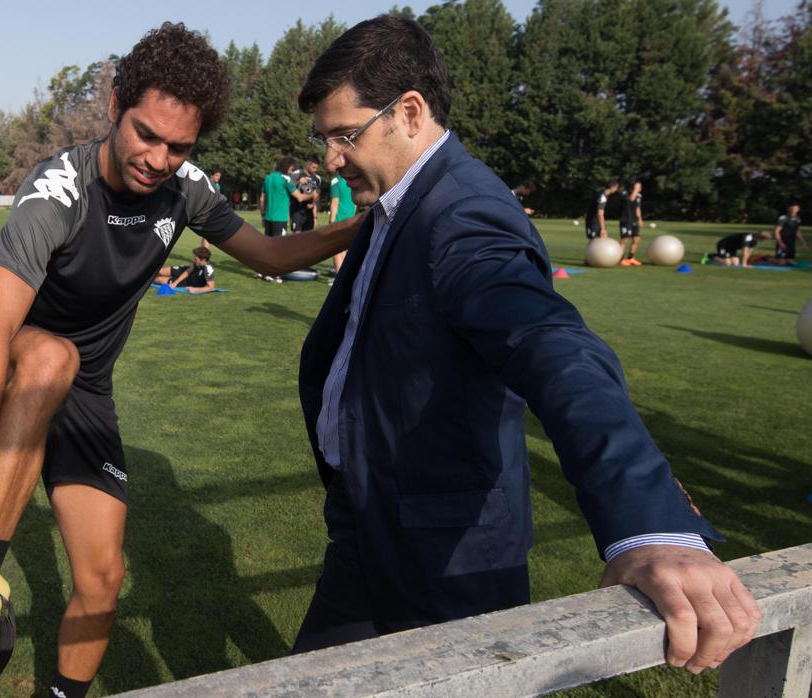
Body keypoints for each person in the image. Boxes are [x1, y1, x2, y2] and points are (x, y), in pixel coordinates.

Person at [293, 15, 759, 675]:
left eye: (344, 135)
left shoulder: (461, 214)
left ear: (411, 112)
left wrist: (649, 524)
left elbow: (551, 345)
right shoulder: (400, 202)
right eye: (326, 139)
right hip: (370, 522)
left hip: (446, 549)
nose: (331, 160)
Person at [0, 23, 359, 698]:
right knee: (51, 355)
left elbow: (268, 255)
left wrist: (374, 222)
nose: (158, 159)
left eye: (179, 146)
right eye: (145, 134)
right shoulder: (58, 194)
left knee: (102, 582)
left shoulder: (183, 187)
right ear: (115, 106)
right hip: (16, 376)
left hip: (87, 399)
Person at [327, 162, 357, 284]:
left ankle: (339, 280)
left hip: (339, 219)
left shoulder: (336, 181)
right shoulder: (352, 181)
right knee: (344, 251)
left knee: (336, 250)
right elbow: (355, 203)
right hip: (350, 219)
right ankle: (343, 278)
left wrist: (332, 221)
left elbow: (335, 202)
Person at [290, 159, 322, 233]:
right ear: (308, 165)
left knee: (308, 236)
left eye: (317, 168)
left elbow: (317, 194)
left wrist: (313, 204)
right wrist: (298, 182)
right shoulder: (296, 174)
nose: (315, 170)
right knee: (296, 236)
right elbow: (289, 189)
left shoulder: (317, 178)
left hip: (309, 212)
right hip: (296, 210)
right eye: (313, 167)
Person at [619, 180, 645, 266]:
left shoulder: (639, 196)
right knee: (624, 240)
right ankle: (620, 259)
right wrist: (636, 189)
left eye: (639, 187)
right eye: (637, 187)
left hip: (634, 220)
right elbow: (631, 199)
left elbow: (638, 208)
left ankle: (630, 258)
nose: (639, 188)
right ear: (632, 188)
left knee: (637, 239)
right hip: (626, 220)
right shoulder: (625, 194)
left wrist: (640, 219)